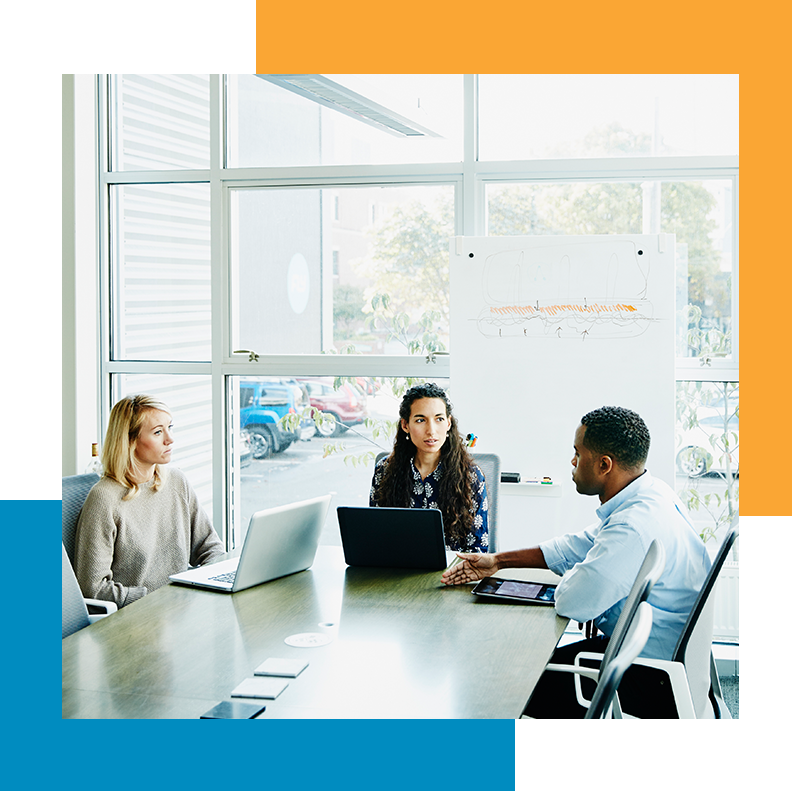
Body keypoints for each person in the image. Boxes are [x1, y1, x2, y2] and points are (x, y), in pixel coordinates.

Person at [442, 405, 711, 719]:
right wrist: (498, 561)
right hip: (660, 658)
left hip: (649, 678)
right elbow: (578, 545)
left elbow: (574, 602)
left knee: (502, 681)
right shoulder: (651, 493)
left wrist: (579, 574)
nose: (572, 461)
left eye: (577, 453)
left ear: (604, 465)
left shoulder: (632, 527)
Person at [74, 394, 225, 608]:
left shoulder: (176, 481)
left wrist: (216, 578)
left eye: (170, 427)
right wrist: (154, 598)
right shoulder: (104, 499)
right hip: (136, 620)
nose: (170, 439)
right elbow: (93, 588)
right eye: (157, 432)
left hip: (180, 610)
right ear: (129, 440)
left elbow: (209, 547)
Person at [370, 382, 489, 552]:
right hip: (398, 571)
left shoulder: (471, 476)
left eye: (439, 419)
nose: (431, 430)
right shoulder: (385, 471)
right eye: (420, 420)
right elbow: (375, 536)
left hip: (452, 574)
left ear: (448, 423)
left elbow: (478, 549)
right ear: (405, 425)